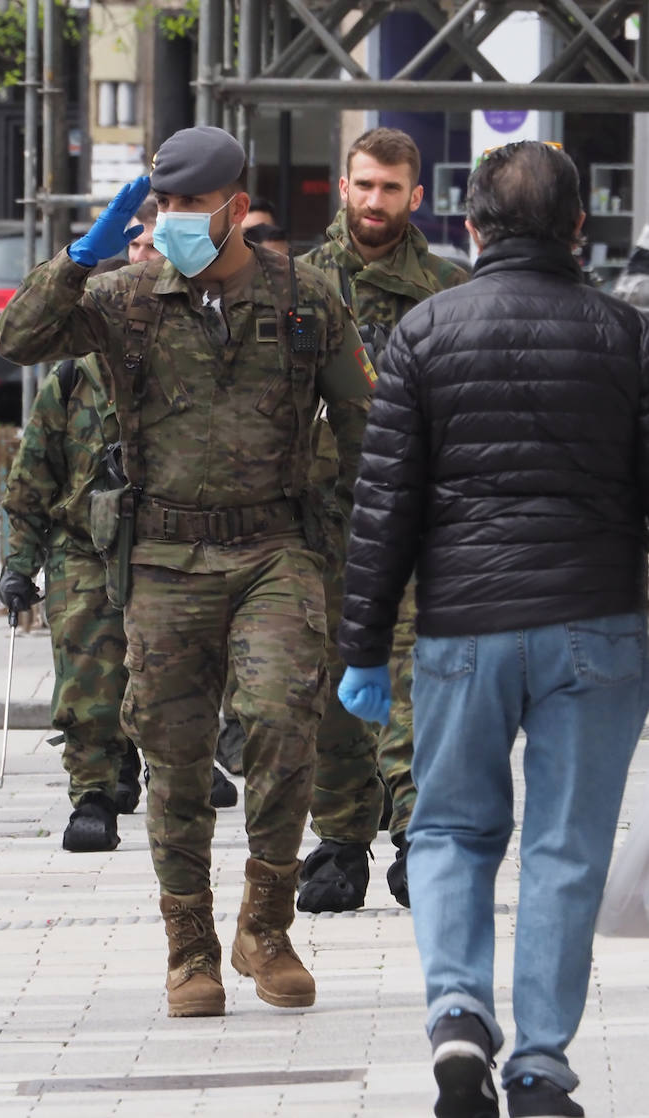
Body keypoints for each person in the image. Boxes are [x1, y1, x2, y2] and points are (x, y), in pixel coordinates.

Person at [0, 126, 374, 1018]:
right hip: (163, 558)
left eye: (187, 207)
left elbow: (365, 432)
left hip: (275, 550)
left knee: (285, 720)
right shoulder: (123, 298)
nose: (169, 222)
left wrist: (364, 558)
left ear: (236, 208)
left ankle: (268, 924)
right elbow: (19, 336)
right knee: (174, 757)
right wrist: (80, 257)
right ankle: (190, 946)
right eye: (159, 206)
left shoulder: (305, 297)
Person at [338, 139, 649, 1118]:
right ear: (579, 230)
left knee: (451, 829)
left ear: (468, 226)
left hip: (465, 627)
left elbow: (383, 505)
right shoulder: (627, 337)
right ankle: (542, 1068)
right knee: (567, 847)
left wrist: (361, 647)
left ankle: (460, 1013)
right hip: (597, 625)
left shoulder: (424, 332)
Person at [0, 251, 238, 854]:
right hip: (83, 549)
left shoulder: (184, 369)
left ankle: (176, 766)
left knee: (178, 669)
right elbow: (31, 480)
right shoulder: (71, 382)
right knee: (87, 676)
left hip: (167, 544)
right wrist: (18, 565)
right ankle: (93, 794)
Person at [292, 126, 468, 913]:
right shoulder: (295, 286)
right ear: (343, 185)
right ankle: (338, 841)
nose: (374, 201)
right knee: (331, 682)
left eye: (390, 188)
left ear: (415, 196)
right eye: (363, 184)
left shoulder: (447, 290)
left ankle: (417, 834)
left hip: (419, 521)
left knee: (409, 680)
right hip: (320, 521)